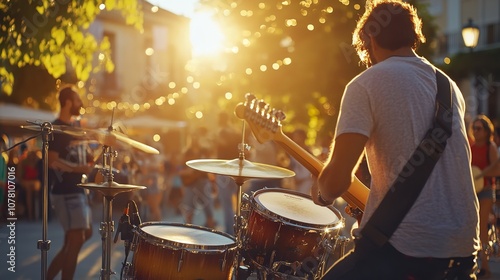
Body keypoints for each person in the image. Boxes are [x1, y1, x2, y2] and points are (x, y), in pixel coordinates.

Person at [311, 1, 479, 279]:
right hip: (463, 250)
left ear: (370, 40)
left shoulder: (365, 84)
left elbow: (337, 180)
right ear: (414, 37)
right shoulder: (449, 88)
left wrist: (321, 193)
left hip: (407, 252)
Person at [47, 87, 93, 280]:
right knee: (76, 240)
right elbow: (52, 161)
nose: (80, 103)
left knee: (82, 235)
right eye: (76, 100)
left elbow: (85, 158)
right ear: (67, 102)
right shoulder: (56, 128)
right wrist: (78, 169)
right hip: (64, 192)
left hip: (78, 191)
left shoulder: (75, 128)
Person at [470, 115, 498, 278]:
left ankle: (485, 267)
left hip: (486, 191)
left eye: (479, 128)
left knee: (482, 229)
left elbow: (497, 169)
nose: (475, 131)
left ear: (487, 131)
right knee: (473, 226)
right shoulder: (471, 146)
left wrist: (481, 175)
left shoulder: (490, 147)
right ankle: (476, 264)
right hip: (473, 191)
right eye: (474, 128)